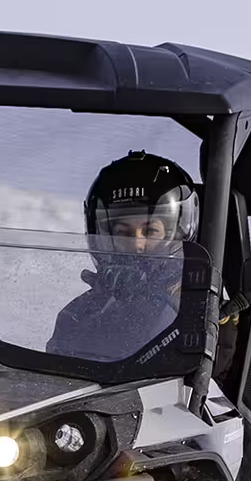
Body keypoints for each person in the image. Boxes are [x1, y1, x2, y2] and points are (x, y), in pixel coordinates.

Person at [48, 152, 193, 361]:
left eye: (151, 231)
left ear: (177, 235)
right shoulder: (80, 313)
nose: (137, 244)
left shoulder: (200, 312)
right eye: (122, 233)